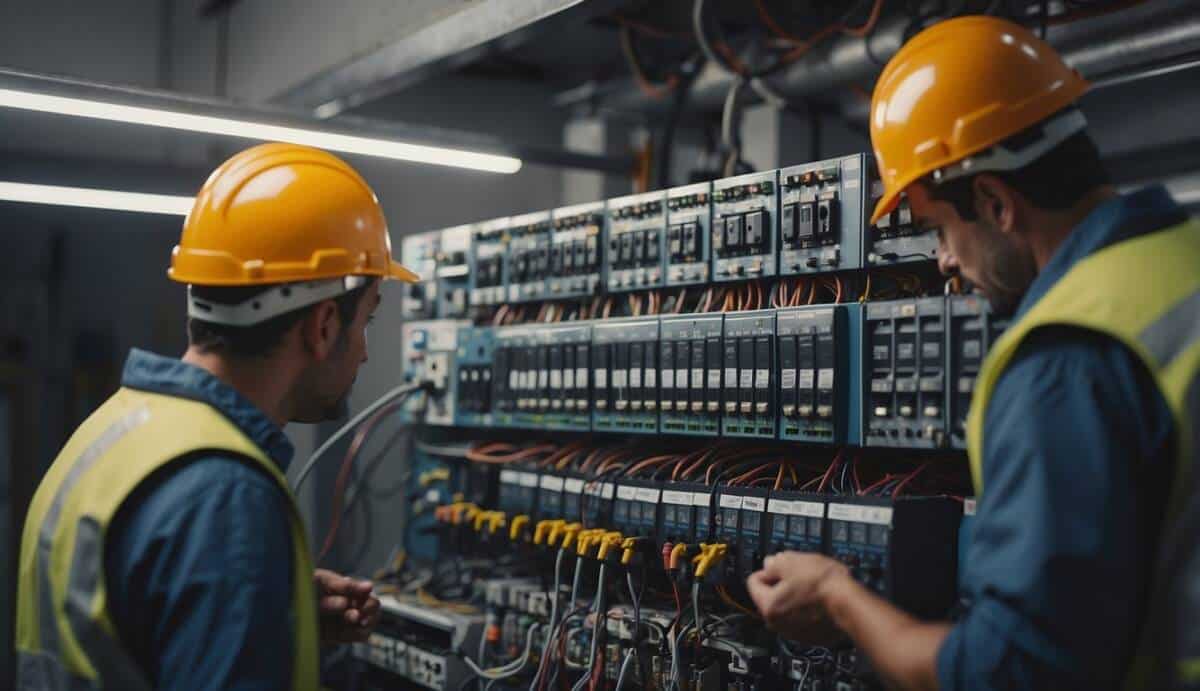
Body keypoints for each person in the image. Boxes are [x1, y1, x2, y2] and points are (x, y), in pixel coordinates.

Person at [746, 16, 1200, 691]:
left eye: (940, 229)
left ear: (995, 201)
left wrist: (841, 597)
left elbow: (1010, 671)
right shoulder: (1181, 260)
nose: (944, 262)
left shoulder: (1065, 358)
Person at [16, 142, 422, 690]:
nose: (366, 352)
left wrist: (271, 615)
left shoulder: (112, 432)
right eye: (367, 320)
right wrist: (242, 583)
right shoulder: (225, 498)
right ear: (324, 325)